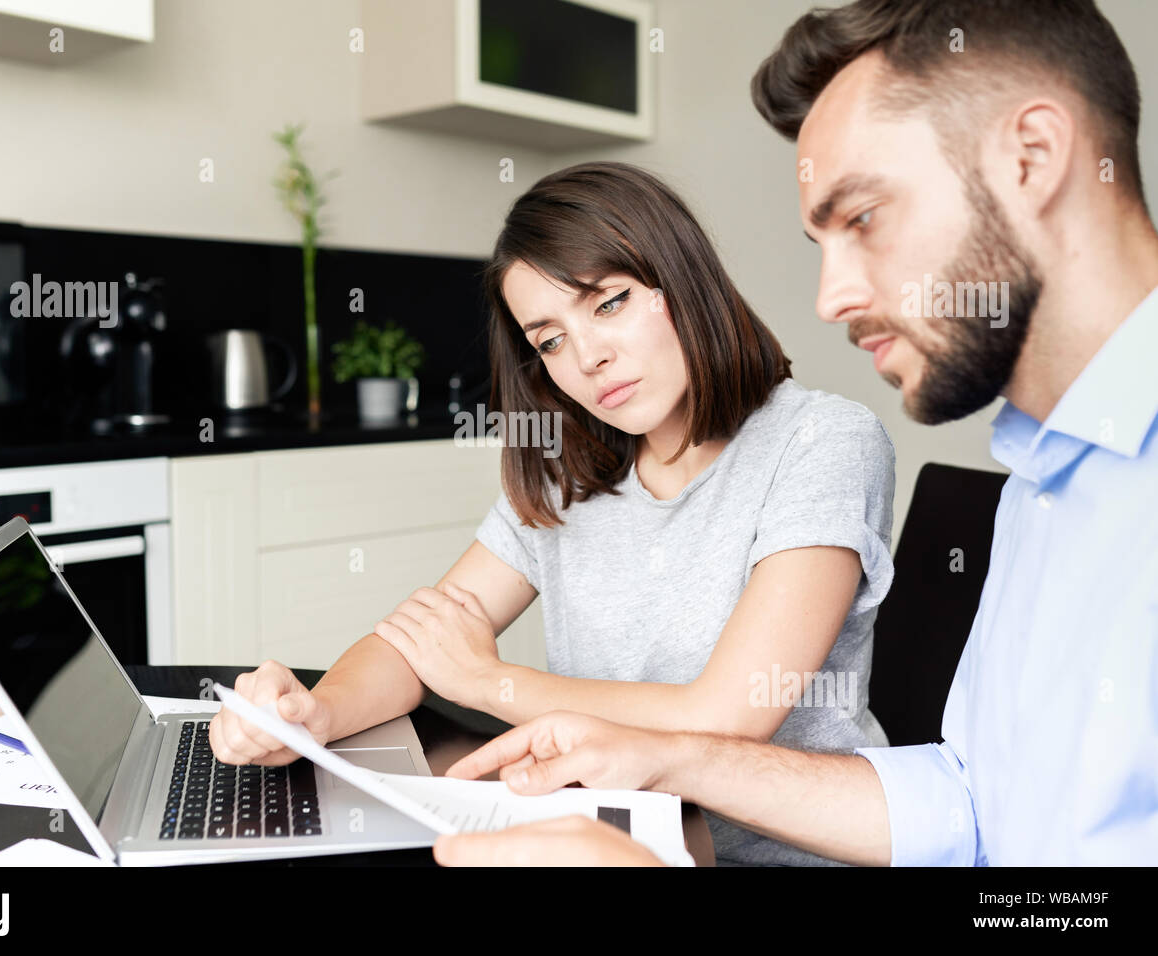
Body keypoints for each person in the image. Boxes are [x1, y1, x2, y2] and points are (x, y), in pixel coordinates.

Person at [432, 0, 1158, 866]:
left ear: (1033, 157)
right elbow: (971, 807)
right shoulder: (1048, 485)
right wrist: (667, 756)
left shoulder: (827, 444)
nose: (830, 299)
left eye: (863, 219)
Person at [208, 161, 898, 864]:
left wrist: (487, 682)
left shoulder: (822, 442)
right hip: (605, 839)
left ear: (682, 280)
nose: (590, 358)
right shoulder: (567, 469)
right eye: (550, 340)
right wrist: (312, 714)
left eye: (608, 303)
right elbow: (421, 640)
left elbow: (726, 718)